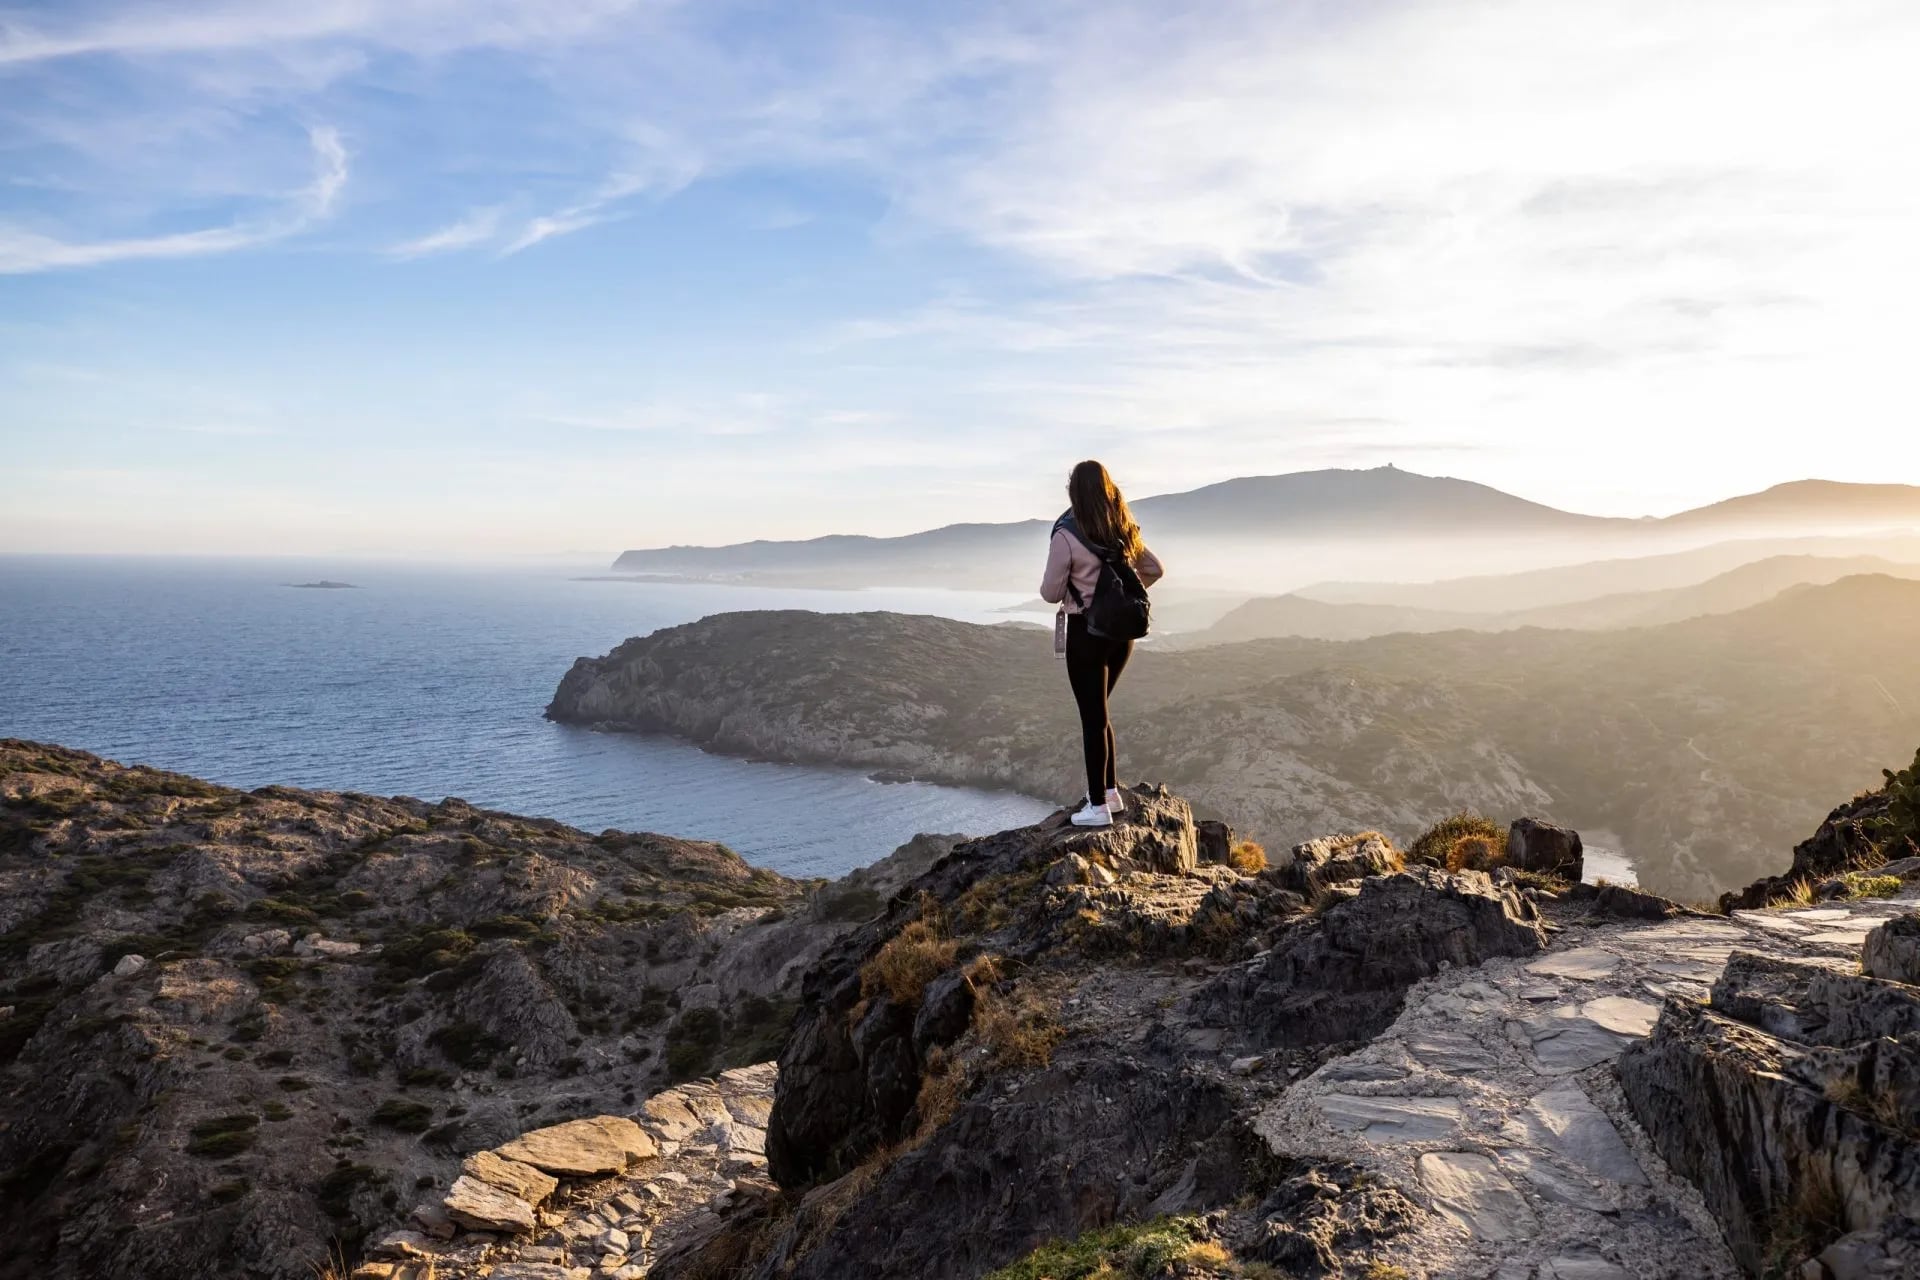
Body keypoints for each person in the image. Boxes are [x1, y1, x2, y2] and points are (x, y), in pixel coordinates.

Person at [1039, 460, 1164, 828]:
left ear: (1073, 492)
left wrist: (1088, 595)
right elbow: (1154, 569)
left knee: (1092, 718)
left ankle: (1097, 807)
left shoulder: (1066, 535)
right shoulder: (1121, 527)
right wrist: (1117, 600)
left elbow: (1050, 592)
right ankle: (1110, 792)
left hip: (1086, 632)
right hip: (1122, 635)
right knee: (1101, 714)